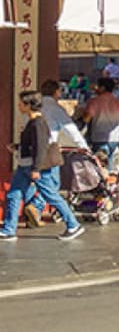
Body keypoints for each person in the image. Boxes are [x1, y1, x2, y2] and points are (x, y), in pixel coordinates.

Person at [2, 91, 84, 240]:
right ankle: (9, 229)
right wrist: (18, 147)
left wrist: (36, 169)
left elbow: (41, 148)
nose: (19, 106)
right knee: (14, 194)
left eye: (21, 103)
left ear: (28, 105)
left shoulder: (38, 123)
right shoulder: (32, 122)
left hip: (33, 167)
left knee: (51, 195)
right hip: (24, 165)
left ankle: (73, 225)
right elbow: (33, 145)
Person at [79, 79, 119, 167]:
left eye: (98, 86)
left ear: (102, 88)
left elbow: (86, 119)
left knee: (100, 165)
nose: (96, 88)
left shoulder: (94, 101)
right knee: (110, 161)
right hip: (114, 138)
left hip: (98, 137)